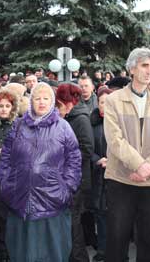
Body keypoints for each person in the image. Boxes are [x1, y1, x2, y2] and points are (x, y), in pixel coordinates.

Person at [0, 82, 82, 262]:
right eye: (37, 98)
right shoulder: (18, 125)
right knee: (22, 252)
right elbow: (6, 156)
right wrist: (5, 183)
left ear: (52, 102)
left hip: (52, 203)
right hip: (20, 202)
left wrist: (65, 189)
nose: (41, 102)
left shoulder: (63, 127)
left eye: (46, 98)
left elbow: (74, 160)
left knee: (52, 253)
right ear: (30, 101)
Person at [104, 48, 150, 262]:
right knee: (117, 236)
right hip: (120, 179)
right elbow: (115, 140)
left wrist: (147, 168)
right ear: (132, 68)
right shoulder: (114, 100)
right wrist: (138, 166)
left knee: (149, 238)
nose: (148, 71)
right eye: (144, 65)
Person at [56, 83, 95, 262]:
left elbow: (87, 149)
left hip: (77, 181)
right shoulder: (70, 116)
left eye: (59, 104)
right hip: (68, 179)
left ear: (67, 102)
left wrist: (61, 156)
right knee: (69, 224)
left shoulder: (80, 119)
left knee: (73, 225)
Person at [0, 89, 19, 262]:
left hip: (14, 177)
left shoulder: (18, 125)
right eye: (0, 106)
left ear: (12, 108)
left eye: (7, 106)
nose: (3, 109)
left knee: (12, 216)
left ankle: (14, 248)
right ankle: (3, 251)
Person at [90, 87, 113, 262]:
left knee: (117, 215)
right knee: (101, 214)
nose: (104, 105)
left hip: (116, 175)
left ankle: (119, 251)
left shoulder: (121, 122)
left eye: (107, 102)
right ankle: (104, 250)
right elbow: (86, 147)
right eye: (101, 102)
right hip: (97, 174)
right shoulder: (92, 123)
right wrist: (98, 160)